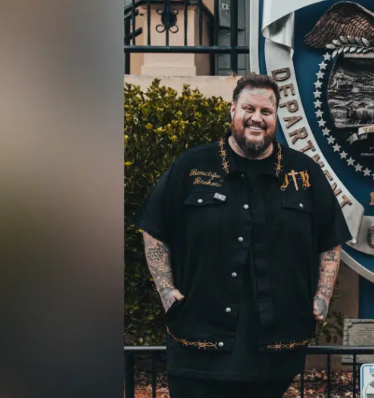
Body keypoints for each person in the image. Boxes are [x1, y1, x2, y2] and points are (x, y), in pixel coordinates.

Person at [137, 73, 351, 398]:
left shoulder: (304, 174)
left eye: (266, 111)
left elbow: (329, 240)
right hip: (198, 341)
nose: (257, 118)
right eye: (248, 108)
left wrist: (321, 296)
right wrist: (167, 291)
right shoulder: (192, 167)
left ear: (275, 117)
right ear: (232, 110)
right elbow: (154, 228)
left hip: (275, 347)